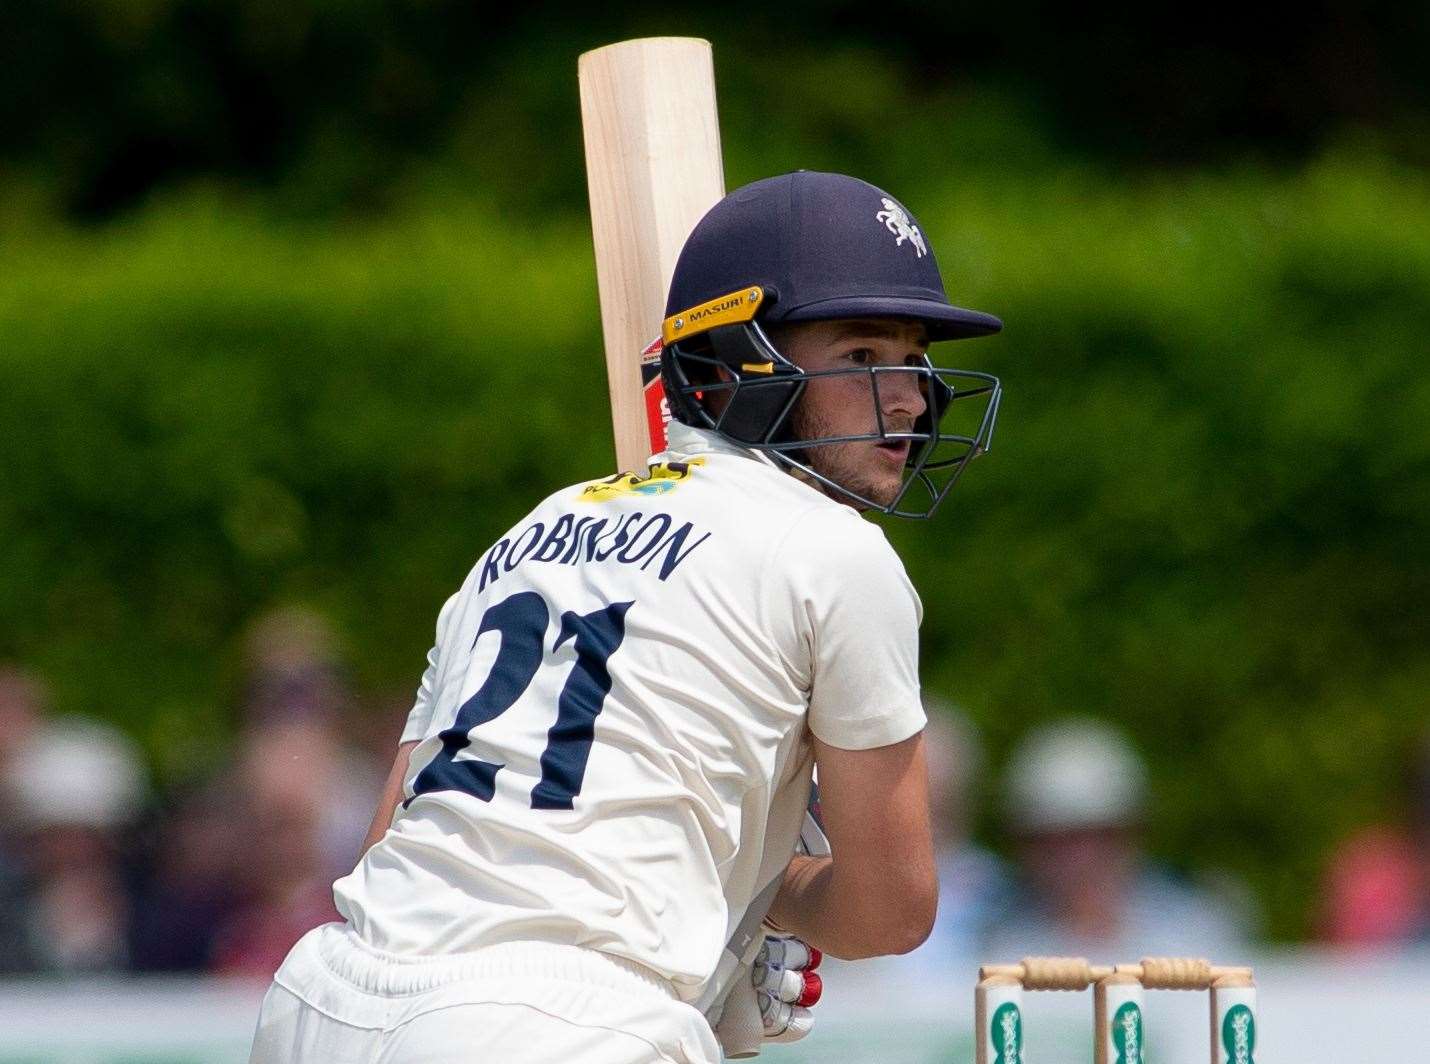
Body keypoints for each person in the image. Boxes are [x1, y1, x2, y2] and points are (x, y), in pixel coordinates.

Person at [249, 170, 1004, 1063]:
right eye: (863, 358)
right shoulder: (835, 551)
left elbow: (398, 836)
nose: (912, 398)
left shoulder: (531, 528)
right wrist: (763, 893)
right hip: (560, 1033)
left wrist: (713, 916)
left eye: (914, 358)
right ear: (732, 365)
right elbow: (890, 910)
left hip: (326, 999)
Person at [983, 717, 1253, 960]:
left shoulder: (1200, 929)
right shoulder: (993, 943)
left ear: (1134, 832)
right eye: (1051, 841)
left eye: (1097, 836)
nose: (1078, 858)